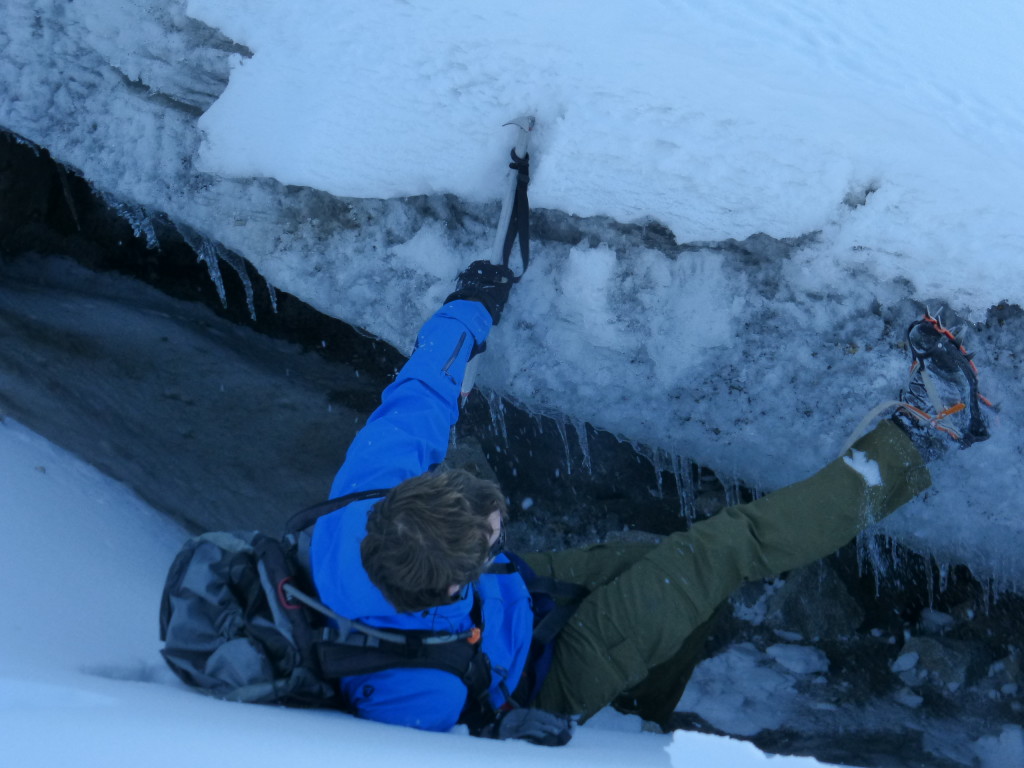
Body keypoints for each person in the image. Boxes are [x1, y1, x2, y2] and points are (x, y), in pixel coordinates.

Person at [307, 261, 992, 745]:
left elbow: (422, 388)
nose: (498, 526)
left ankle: (646, 711)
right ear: (455, 582)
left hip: (510, 606)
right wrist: (503, 734)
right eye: (490, 536)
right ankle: (925, 435)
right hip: (538, 687)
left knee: (646, 561)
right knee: (715, 553)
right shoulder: (416, 697)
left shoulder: (372, 490)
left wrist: (472, 302)